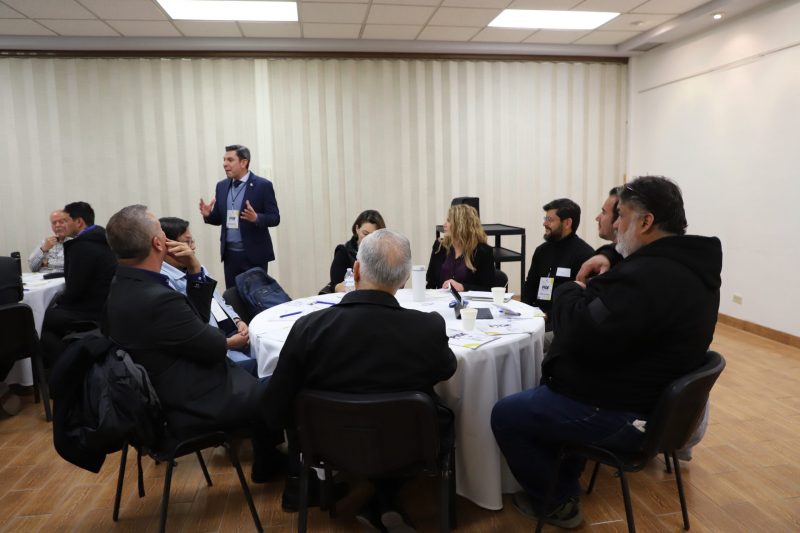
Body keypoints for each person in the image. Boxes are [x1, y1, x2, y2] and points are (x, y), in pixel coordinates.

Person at [491, 176, 722, 529]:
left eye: (621, 216)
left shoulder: (646, 278)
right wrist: (608, 254)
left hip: (622, 412)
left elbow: (577, 331)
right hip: (652, 406)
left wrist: (571, 289)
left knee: (507, 414)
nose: (614, 225)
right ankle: (564, 480)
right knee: (545, 391)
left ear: (645, 222)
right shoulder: (689, 267)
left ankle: (557, 502)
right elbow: (625, 271)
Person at [263, 229, 457, 530]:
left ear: (355, 271)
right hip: (408, 445)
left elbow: (274, 407)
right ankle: (386, 498)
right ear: (404, 279)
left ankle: (377, 498)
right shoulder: (426, 328)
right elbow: (446, 368)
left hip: (328, 443)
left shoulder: (309, 328)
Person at [103, 205, 283, 482]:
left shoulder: (121, 286)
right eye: (161, 231)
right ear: (158, 243)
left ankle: (267, 460)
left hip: (167, 390)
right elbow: (214, 346)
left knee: (272, 370)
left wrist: (195, 270)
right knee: (286, 381)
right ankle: (298, 476)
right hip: (191, 400)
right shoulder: (157, 298)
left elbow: (194, 329)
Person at [159, 217, 256, 375]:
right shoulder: (164, 281)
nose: (193, 247)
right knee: (263, 367)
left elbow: (218, 300)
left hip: (233, 335)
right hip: (218, 348)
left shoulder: (197, 267)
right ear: (169, 245)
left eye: (192, 241)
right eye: (187, 242)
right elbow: (191, 334)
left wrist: (237, 320)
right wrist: (229, 343)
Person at [41, 202, 117, 366]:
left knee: (39, 319)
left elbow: (75, 290)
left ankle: (68, 366)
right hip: (107, 305)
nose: (61, 225)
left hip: (90, 310)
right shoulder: (104, 239)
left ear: (79, 222)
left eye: (65, 221)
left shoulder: (82, 246)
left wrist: (58, 302)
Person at [199, 144, 280, 288]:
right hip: (230, 256)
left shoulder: (263, 185)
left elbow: (275, 218)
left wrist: (256, 218)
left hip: (254, 255)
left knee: (256, 297)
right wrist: (208, 215)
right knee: (233, 296)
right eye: (224, 160)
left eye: (230, 160)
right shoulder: (221, 186)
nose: (225, 164)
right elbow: (218, 219)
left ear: (244, 162)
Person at [521, 198, 593, 347]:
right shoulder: (541, 251)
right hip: (535, 317)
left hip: (561, 322)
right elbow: (530, 285)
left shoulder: (584, 255)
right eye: (545, 219)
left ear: (567, 223)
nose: (545, 223)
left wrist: (548, 315)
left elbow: (582, 300)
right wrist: (525, 311)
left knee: (525, 344)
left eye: (550, 220)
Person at [426, 204, 494, 292]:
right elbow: (430, 283)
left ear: (461, 225)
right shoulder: (439, 247)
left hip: (468, 301)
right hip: (440, 299)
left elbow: (488, 289)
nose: (444, 225)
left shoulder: (483, 251)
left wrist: (463, 287)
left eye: (449, 221)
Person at [324, 209, 386, 293]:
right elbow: (335, 286)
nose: (368, 239)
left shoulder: (384, 253)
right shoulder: (343, 252)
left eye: (373, 236)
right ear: (357, 229)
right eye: (365, 234)